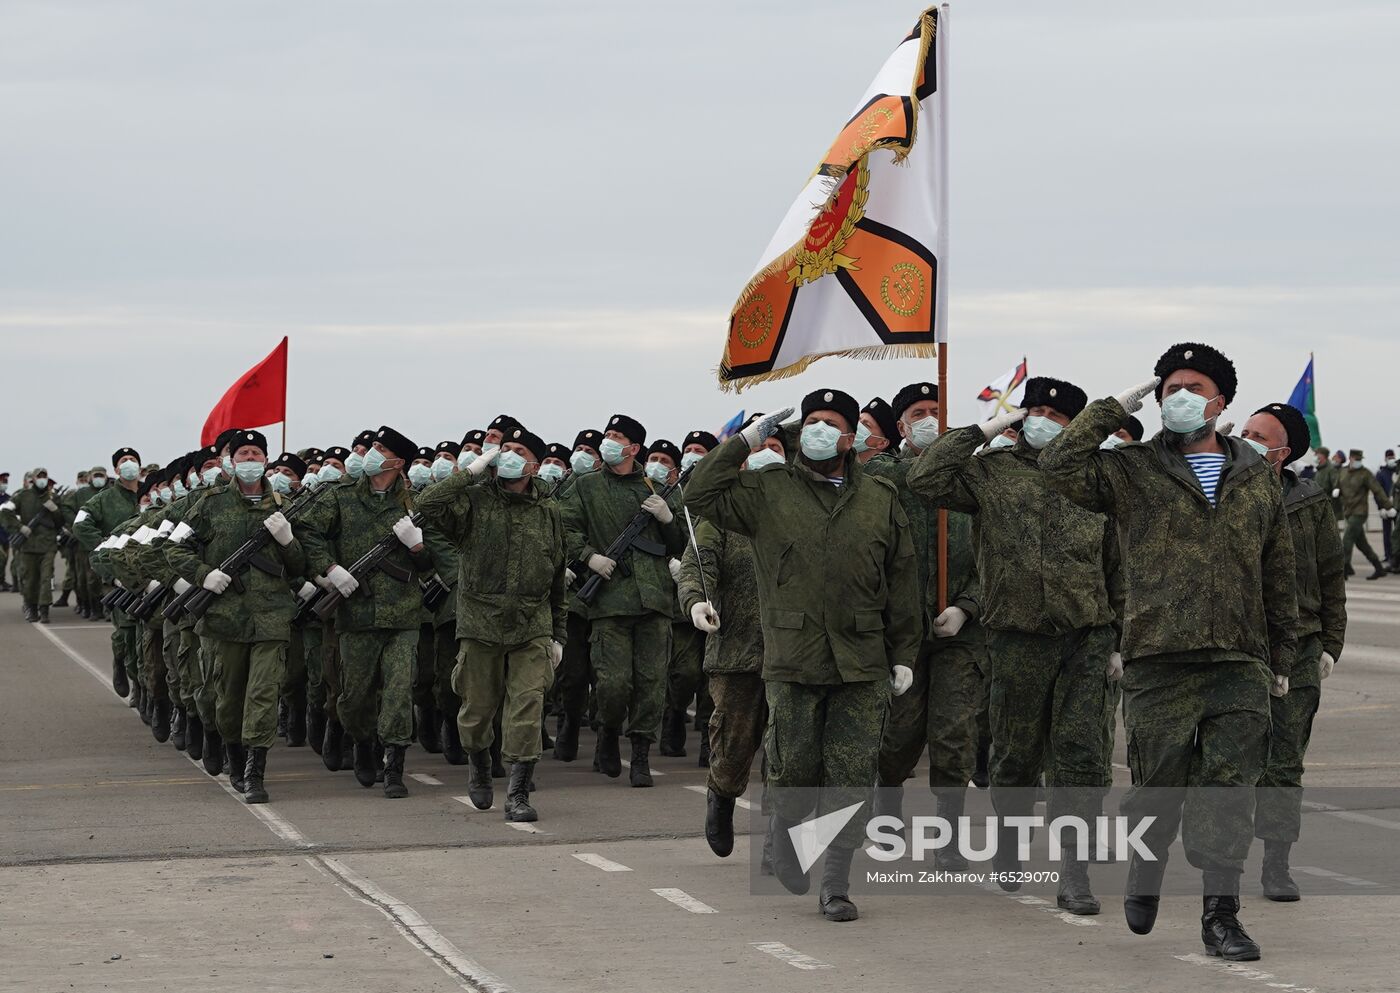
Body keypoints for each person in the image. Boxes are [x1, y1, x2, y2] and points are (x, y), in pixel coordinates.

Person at [1039, 342, 1297, 962]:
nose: (1178, 397)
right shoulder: (1129, 469)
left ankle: (1221, 915)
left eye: (1193, 387)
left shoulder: (1255, 475)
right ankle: (1145, 870)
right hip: (1160, 657)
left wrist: (1281, 657)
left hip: (1238, 659)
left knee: (1229, 788)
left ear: (1220, 401)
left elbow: (1278, 569)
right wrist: (1111, 407)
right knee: (1157, 789)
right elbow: (1056, 465)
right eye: (1168, 388)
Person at [685, 391, 919, 922]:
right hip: (793, 655)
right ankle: (787, 839)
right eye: (809, 421)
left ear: (849, 438)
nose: (816, 430)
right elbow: (698, 492)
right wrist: (742, 440)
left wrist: (904, 653)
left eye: (828, 423)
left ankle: (836, 881)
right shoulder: (767, 492)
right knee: (794, 767)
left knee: (852, 771)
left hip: (862, 660)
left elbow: (903, 582)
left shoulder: (879, 498)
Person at [907, 376, 1115, 915]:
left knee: (1081, 754)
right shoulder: (991, 471)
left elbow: (1121, 562)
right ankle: (1010, 846)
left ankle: (1075, 872)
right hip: (1016, 633)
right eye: (1034, 409)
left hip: (1085, 634)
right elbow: (926, 478)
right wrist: (980, 429)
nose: (1041, 419)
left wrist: (1121, 638)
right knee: (1016, 752)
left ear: (1075, 425)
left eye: (1055, 413)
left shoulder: (1098, 478)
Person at [417, 426, 567, 821]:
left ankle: (518, 793)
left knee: (528, 706)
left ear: (533, 465)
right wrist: (471, 471)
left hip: (531, 624)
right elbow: (426, 504)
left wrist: (559, 634)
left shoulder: (548, 509)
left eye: (517, 451)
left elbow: (556, 574)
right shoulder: (474, 501)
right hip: (480, 622)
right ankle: (480, 765)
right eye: (504, 449)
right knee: (478, 708)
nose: (507, 455)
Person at [299, 426, 453, 799]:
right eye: (372, 446)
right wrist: (330, 569)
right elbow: (305, 530)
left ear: (397, 462)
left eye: (380, 448)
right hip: (355, 613)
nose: (370, 452)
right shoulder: (341, 497)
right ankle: (363, 743)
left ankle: (395, 763)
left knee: (399, 689)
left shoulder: (414, 505)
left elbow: (434, 562)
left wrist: (416, 549)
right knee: (355, 695)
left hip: (403, 615)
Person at [165, 431, 307, 804]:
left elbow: (300, 566)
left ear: (265, 459)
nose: (249, 458)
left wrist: (288, 540)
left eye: (255, 452)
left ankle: (255, 770)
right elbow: (174, 548)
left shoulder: (285, 505)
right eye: (242, 452)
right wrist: (202, 574)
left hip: (272, 616)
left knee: (263, 692)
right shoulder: (208, 505)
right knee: (227, 697)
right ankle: (233, 752)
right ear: (231, 460)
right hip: (225, 617)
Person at [1242, 403, 1347, 901]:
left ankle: (1276, 864)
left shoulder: (1309, 501)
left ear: (1282, 452)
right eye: (1243, 432)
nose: (1245, 440)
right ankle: (1221, 861)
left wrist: (1331, 642)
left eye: (1258, 436)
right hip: (1237, 644)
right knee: (1228, 761)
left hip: (1300, 645)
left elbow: (1331, 574)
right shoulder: (1215, 491)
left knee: (1284, 762)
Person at [559, 414, 686, 786]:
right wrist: (587, 557)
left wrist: (667, 518)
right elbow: (562, 526)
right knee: (613, 684)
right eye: (608, 435)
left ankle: (642, 753)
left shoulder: (657, 486)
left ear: (633, 449)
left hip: (655, 602)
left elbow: (681, 544)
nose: (608, 441)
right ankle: (608, 734)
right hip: (610, 601)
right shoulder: (585, 487)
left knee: (651, 683)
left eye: (617, 437)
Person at [678, 420, 781, 857]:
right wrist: (697, 601)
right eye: (764, 445)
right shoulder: (720, 515)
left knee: (786, 750)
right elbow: (698, 564)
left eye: (778, 446)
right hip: (736, 649)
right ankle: (721, 795)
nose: (769, 453)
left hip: (793, 653)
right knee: (734, 746)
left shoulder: (799, 512)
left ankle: (781, 836)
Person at [552, 427, 605, 762]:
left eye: (590, 450)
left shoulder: (604, 491)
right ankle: (568, 724)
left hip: (607, 592)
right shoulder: (560, 490)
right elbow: (552, 534)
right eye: (580, 448)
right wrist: (563, 567)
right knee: (572, 675)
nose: (583, 454)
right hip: (572, 596)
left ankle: (605, 738)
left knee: (605, 675)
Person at [1, 467, 66, 623]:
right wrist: (19, 527)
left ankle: (44, 610)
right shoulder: (23, 496)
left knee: (46, 578)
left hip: (48, 545)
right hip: (28, 545)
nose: (42, 479)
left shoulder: (54, 498)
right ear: (34, 479)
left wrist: (55, 510)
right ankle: (31, 607)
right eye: (39, 476)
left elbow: (61, 522)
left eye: (45, 476)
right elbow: (5, 512)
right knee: (30, 579)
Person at [1337, 449, 1394, 580]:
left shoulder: (1365, 474)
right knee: (1362, 544)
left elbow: (1377, 490)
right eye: (1356, 459)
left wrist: (1388, 506)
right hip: (1348, 512)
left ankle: (1343, 571)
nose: (1358, 462)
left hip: (1359, 512)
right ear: (1350, 459)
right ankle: (1379, 568)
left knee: (1347, 540)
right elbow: (1338, 486)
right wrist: (1337, 491)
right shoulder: (1343, 472)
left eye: (1360, 460)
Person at [856, 397, 898, 465]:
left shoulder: (888, 473)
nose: (857, 425)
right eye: (858, 420)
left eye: (866, 425)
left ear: (882, 443)